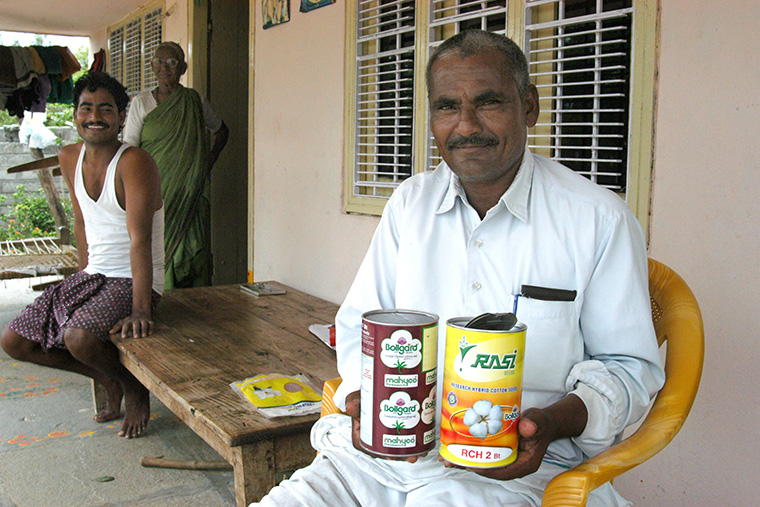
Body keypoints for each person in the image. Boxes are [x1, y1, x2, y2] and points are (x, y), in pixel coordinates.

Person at [253, 30, 665, 506]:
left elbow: (628, 369)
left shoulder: (597, 219)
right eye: (447, 106)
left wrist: (549, 424)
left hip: (518, 469)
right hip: (377, 460)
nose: (466, 125)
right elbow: (358, 327)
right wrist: (371, 398)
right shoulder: (410, 206)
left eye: (488, 102)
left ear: (528, 105)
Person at [0, 72, 165, 439]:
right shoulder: (68, 156)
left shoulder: (135, 161)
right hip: (95, 274)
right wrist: (77, 281)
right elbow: (80, 222)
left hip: (133, 278)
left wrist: (142, 309)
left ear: (122, 117)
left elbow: (140, 240)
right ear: (74, 113)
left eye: (106, 109)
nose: (94, 116)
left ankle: (135, 387)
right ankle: (109, 378)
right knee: (14, 341)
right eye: (86, 108)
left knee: (79, 337)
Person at [123, 41, 229, 289]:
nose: (164, 68)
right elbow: (129, 150)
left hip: (191, 190)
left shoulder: (194, 100)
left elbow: (222, 132)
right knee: (155, 246)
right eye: (159, 62)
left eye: (172, 62)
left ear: (183, 67)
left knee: (194, 252)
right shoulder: (141, 103)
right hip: (155, 192)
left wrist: (206, 164)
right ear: (151, 66)